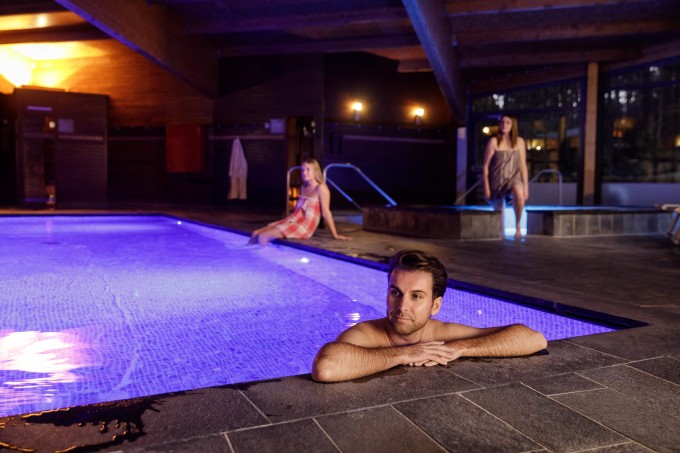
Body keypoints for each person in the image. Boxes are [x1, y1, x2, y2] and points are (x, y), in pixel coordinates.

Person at [312, 249, 547, 383]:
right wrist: (405, 354)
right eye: (396, 293)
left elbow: (534, 339)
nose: (402, 306)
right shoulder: (365, 334)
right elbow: (325, 367)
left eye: (416, 296)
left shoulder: (442, 334)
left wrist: (459, 349)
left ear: (435, 305)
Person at [248, 158, 351, 245]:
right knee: (255, 233)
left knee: (263, 236)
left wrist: (335, 235)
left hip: (305, 226)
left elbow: (326, 212)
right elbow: (297, 211)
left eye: (308, 170)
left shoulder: (321, 188)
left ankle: (263, 259)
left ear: (315, 171)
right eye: (302, 170)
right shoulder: (303, 187)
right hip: (294, 220)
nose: (304, 173)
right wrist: (287, 222)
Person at [482, 114, 529, 240]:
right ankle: (501, 239)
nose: (504, 125)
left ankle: (518, 226)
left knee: (519, 194)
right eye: (502, 122)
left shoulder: (519, 142)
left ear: (513, 125)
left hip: (514, 177)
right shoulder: (494, 142)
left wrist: (526, 187)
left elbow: (523, 165)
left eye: (508, 122)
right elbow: (485, 166)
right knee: (500, 218)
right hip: (497, 179)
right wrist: (486, 188)